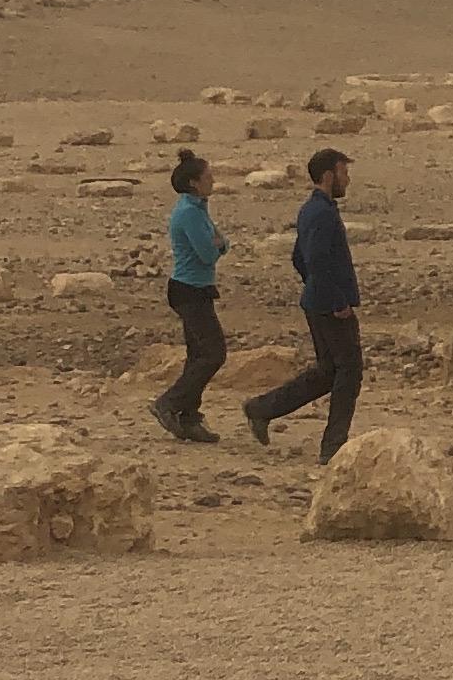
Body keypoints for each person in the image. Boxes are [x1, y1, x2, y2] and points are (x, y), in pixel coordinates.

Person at [244, 148, 361, 461]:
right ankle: (333, 446)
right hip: (330, 306)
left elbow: (299, 257)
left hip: (318, 300)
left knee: (328, 372)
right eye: (343, 172)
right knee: (349, 372)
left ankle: (261, 408)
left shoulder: (313, 209)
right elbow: (316, 259)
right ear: (328, 176)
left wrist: (314, 286)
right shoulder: (322, 213)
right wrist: (335, 299)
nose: (347, 179)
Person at [150, 150, 228, 443]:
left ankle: (189, 416)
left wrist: (218, 244)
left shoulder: (198, 208)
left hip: (198, 288)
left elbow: (222, 243)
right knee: (213, 354)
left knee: (198, 355)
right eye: (208, 177)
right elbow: (209, 253)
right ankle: (169, 403)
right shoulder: (188, 213)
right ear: (194, 182)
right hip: (189, 290)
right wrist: (218, 245)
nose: (213, 181)